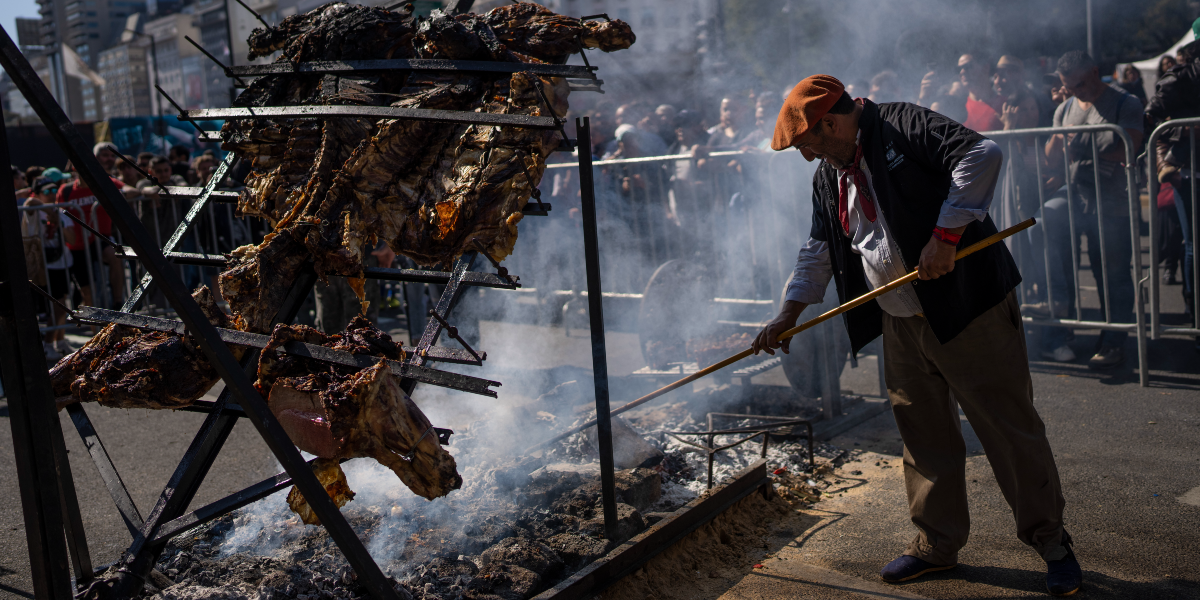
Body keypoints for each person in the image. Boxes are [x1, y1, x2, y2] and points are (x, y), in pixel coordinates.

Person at [753, 74, 1080, 596]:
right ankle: (937, 544)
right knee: (923, 436)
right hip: (900, 320)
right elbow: (819, 248)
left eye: (809, 143)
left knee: (1007, 427)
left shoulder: (902, 124)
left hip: (967, 307)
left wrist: (946, 237)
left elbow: (982, 154)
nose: (808, 157)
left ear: (831, 123)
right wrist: (787, 313)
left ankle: (1052, 543)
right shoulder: (830, 176)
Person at [1028, 51, 1144, 367]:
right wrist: (1060, 141)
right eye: (1068, 86)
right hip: (1075, 191)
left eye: (1079, 84)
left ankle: (1113, 341)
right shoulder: (1066, 107)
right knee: (1041, 223)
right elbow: (1052, 159)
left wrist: (1084, 144)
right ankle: (1058, 301)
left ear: (1094, 72)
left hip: (1113, 198)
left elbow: (1130, 145)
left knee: (1111, 272)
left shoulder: (1125, 102)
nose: (1075, 91)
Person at [1147, 37, 1200, 330]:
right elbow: (1152, 120)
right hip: (1190, 172)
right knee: (1194, 245)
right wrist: (1164, 166)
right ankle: (1196, 316)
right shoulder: (1180, 78)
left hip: (1187, 170)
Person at [56, 143, 138, 308]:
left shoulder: (104, 182)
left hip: (100, 238)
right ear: (74, 169)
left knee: (116, 257)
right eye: (80, 166)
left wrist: (123, 193)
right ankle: (92, 322)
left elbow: (131, 190)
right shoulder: (65, 190)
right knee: (87, 291)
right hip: (76, 245)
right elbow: (59, 216)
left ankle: (118, 303)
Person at [24, 177, 77, 360]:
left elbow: (72, 239)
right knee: (57, 306)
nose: (52, 194)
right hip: (44, 268)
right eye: (46, 191)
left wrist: (58, 221)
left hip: (62, 263)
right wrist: (47, 211)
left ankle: (60, 341)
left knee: (62, 305)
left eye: (54, 190)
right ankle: (48, 344)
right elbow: (30, 201)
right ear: (38, 193)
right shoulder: (33, 211)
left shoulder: (61, 212)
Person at [957, 54, 1004, 132]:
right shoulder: (957, 107)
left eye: (968, 67)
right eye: (959, 69)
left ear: (986, 68)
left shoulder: (1005, 106)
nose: (962, 72)